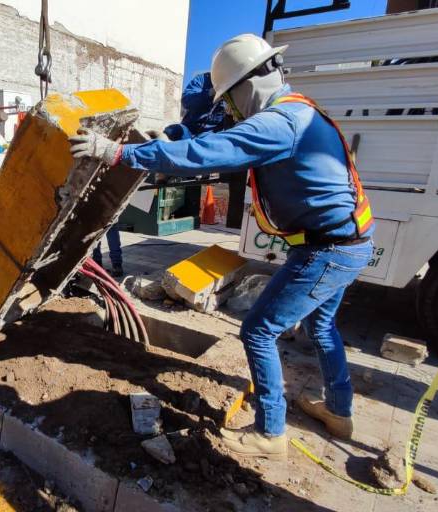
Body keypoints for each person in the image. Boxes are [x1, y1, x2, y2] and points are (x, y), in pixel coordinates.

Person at [69, 34, 374, 458]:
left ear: (246, 85)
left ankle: (271, 435)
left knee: (259, 329)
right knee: (321, 327)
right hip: (350, 241)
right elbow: (209, 131)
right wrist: (171, 134)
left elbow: (207, 152)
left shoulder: (276, 125)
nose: (228, 110)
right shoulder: (298, 110)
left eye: (229, 100)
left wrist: (120, 153)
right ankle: (339, 413)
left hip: (328, 250)